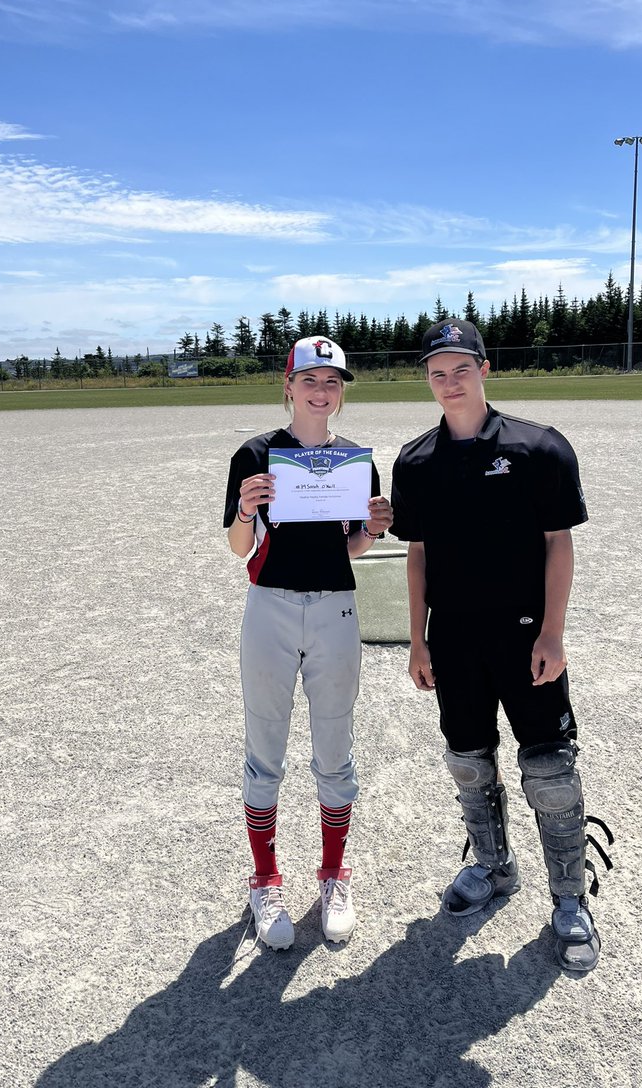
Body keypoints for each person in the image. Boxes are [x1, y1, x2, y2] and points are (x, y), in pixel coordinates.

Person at [389, 319, 613, 973]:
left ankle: (570, 899)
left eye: (461, 368)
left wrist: (552, 632)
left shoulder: (538, 448)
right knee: (467, 760)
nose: (449, 381)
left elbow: (558, 543)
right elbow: (417, 558)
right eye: (437, 371)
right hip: (453, 640)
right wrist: (417, 641)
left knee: (547, 768)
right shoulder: (415, 461)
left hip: (523, 635)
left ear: (485, 370)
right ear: (426, 380)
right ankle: (492, 865)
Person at [224, 336, 393, 950]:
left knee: (335, 744)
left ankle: (332, 872)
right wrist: (246, 511)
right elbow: (241, 549)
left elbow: (351, 547)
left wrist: (374, 529)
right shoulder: (257, 454)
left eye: (333, 383)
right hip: (269, 606)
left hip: (334, 610)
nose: (322, 392)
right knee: (265, 743)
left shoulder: (356, 462)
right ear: (288, 387)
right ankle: (265, 878)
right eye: (310, 381)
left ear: (341, 394)